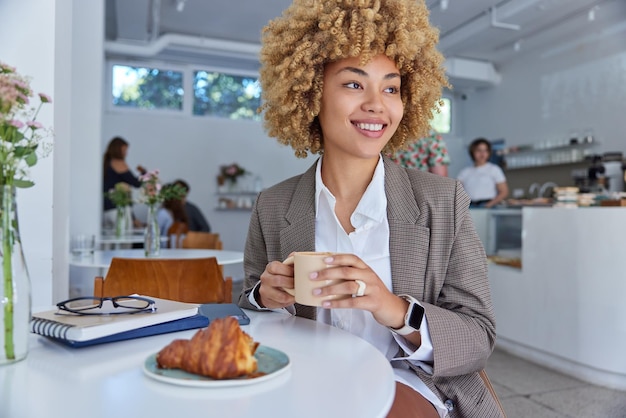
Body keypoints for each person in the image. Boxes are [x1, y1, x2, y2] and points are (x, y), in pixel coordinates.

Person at [237, 1, 499, 417]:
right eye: (355, 85)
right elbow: (247, 310)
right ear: (309, 92)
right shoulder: (273, 205)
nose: (378, 104)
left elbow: (478, 336)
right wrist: (264, 297)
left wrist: (392, 308)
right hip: (305, 381)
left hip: (406, 381)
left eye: (391, 87)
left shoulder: (443, 201)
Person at [102, 136, 146, 228]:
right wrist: (144, 173)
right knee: (124, 240)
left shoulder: (106, 163)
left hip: (106, 209)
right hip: (118, 209)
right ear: (118, 150)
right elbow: (136, 183)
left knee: (108, 240)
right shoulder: (118, 163)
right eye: (124, 150)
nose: (126, 154)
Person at [457, 138, 509, 208]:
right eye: (479, 150)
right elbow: (456, 191)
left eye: (485, 150)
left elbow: (504, 191)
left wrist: (489, 204)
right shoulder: (465, 172)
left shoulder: (494, 169)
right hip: (470, 206)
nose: (482, 153)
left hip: (487, 205)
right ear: (473, 152)